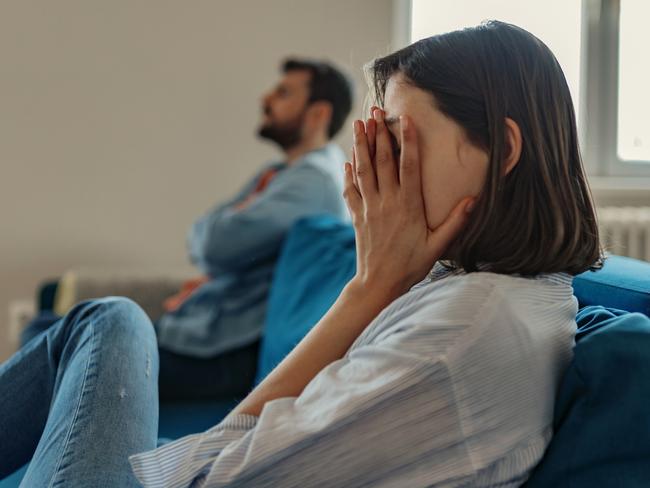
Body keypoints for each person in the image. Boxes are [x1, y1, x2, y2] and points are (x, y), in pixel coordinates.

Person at [1, 21, 602, 487]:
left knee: (109, 320)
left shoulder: (463, 333)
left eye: (395, 139)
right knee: (102, 323)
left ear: (501, 149)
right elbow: (206, 239)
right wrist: (379, 286)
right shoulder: (486, 290)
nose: (372, 172)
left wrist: (368, 289)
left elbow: (204, 477)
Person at [20, 58, 355, 402]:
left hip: (220, 353)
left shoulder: (313, 182)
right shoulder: (279, 174)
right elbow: (205, 237)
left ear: (318, 114)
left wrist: (219, 242)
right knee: (47, 328)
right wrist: (218, 243)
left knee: (46, 336)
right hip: (202, 336)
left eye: (283, 93)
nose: (265, 99)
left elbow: (212, 244)